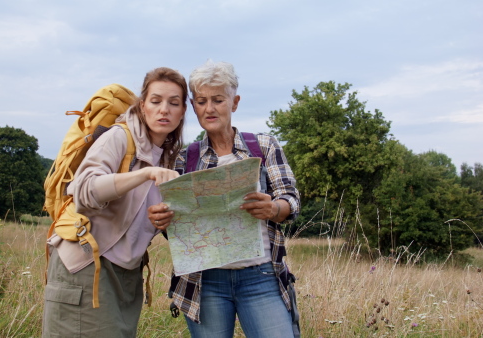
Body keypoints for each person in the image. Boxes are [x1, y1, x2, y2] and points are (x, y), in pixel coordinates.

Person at [148, 60, 300, 338]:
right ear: (193, 106)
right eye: (202, 101)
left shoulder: (264, 146)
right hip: (205, 283)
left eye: (218, 99)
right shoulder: (184, 158)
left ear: (235, 102)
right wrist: (162, 221)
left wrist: (272, 208)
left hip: (261, 276)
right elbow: (176, 230)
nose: (209, 108)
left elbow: (291, 200)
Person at [42, 67, 188, 337]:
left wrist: (161, 220)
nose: (164, 109)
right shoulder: (119, 137)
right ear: (142, 106)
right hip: (88, 267)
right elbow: (83, 190)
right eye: (156, 101)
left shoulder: (169, 158)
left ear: (182, 112)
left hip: (126, 275)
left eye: (174, 103)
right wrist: (143, 174)